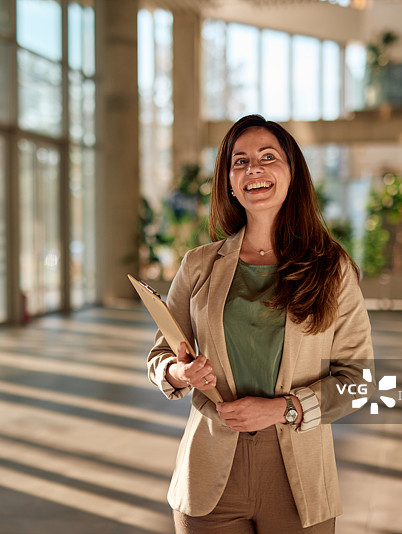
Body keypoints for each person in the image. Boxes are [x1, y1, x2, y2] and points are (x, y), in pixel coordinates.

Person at [146, 114, 375, 534]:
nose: (254, 168)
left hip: (299, 476)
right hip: (209, 474)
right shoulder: (198, 265)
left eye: (268, 157)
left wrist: (281, 409)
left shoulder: (332, 268)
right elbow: (162, 354)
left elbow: (359, 381)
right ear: (229, 182)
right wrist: (180, 371)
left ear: (293, 173)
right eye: (240, 161)